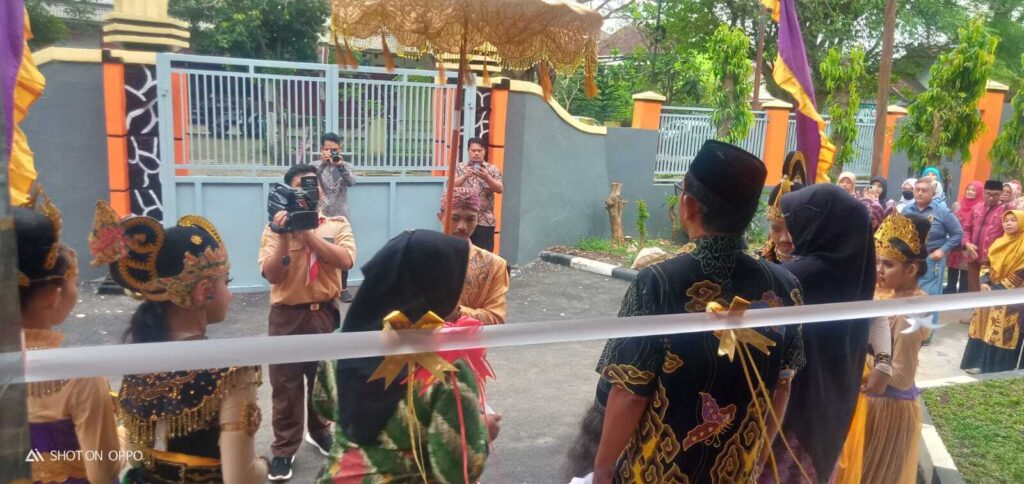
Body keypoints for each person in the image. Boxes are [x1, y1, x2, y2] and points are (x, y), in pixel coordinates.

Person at [591, 140, 805, 483]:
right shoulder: (786, 286)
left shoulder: (658, 283)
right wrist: (755, 462)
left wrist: (602, 471)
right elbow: (783, 385)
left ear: (688, 205)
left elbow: (629, 393)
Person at [90, 201, 267, 483]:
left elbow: (137, 457)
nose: (231, 294)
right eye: (226, 282)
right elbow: (240, 478)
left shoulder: (137, 358)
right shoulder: (230, 371)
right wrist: (263, 465)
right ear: (204, 292)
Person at [313, 230, 493, 483]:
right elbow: (454, 471)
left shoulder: (344, 341)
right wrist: (482, 431)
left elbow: (323, 405)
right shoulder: (446, 366)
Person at [765, 184, 878, 483]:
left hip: (795, 406)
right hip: (831, 404)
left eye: (795, 225)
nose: (786, 237)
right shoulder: (853, 269)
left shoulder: (800, 276)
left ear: (821, 227)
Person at [17, 189, 123, 484]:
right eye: (74, 281)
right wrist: (124, 441)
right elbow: (104, 473)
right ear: (52, 296)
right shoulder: (79, 376)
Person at [259, 163, 357, 480]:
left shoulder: (337, 225)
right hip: (286, 316)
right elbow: (272, 274)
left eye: (313, 185)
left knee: (322, 382)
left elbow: (345, 260)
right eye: (301, 186)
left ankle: (320, 431)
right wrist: (285, 236)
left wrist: (309, 235)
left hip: (324, 314)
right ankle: (284, 450)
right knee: (285, 386)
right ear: (289, 192)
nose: (308, 192)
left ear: (321, 191)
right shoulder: (273, 230)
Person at [861, 211, 934, 484]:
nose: (879, 270)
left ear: (911, 270)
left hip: (888, 409)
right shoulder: (890, 296)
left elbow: (902, 376)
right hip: (876, 400)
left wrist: (858, 357)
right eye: (878, 262)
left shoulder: (909, 312)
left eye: (888, 264)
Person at [960, 210, 1024, 374]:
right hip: (989, 292)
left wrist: (997, 289)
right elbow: (986, 262)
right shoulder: (998, 242)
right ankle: (977, 363)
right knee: (982, 326)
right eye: (1006, 220)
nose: (1008, 223)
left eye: (1013, 220)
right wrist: (984, 281)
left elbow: (1020, 273)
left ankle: (995, 369)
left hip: (1010, 296)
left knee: (1000, 331)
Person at [902, 177, 962, 343]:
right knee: (909, 294)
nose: (920, 193)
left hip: (931, 259)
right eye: (917, 190)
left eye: (924, 190)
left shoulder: (942, 211)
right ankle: (910, 330)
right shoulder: (906, 209)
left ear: (932, 193)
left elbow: (957, 233)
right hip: (910, 259)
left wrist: (942, 250)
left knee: (929, 296)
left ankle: (925, 335)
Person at [437, 186, 510, 324]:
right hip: (424, 337)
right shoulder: (420, 256)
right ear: (441, 217)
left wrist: (459, 313)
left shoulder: (494, 265)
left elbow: (497, 318)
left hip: (470, 337)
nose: (462, 226)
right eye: (455, 218)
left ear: (478, 220)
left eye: (470, 219)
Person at [314, 132, 358, 303]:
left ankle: (343, 287)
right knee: (319, 249)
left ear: (340, 148)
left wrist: (340, 166)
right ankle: (321, 286)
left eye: (335, 149)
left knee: (343, 250)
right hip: (320, 213)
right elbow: (310, 181)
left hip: (340, 213)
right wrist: (323, 164)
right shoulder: (314, 166)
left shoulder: (346, 165)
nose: (332, 152)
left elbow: (352, 182)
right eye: (328, 149)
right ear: (321, 149)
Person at [453, 137, 503, 252]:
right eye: (473, 150)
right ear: (468, 151)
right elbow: (450, 186)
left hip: (485, 222)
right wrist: (465, 176)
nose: (476, 153)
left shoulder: (492, 169)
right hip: (463, 221)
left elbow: (500, 189)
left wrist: (487, 177)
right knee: (461, 253)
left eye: (479, 151)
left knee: (484, 255)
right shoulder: (460, 167)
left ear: (484, 151)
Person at [962, 180, 1006, 293]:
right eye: (988, 194)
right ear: (983, 192)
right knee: (973, 290)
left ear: (1001, 194)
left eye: (995, 194)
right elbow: (966, 228)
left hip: (993, 261)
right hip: (974, 257)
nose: (991, 198)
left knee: (989, 292)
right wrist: (966, 243)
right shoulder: (976, 208)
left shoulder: (1007, 210)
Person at [946, 181, 983, 294]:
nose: (970, 192)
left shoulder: (980, 208)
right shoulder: (957, 205)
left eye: (973, 190)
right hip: (955, 245)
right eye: (968, 189)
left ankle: (962, 298)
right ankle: (949, 295)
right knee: (952, 275)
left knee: (965, 278)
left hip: (969, 246)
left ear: (979, 192)